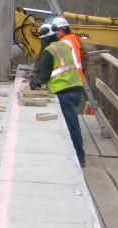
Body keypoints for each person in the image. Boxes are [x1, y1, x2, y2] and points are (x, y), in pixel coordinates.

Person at [29, 29, 86, 167]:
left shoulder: (50, 50)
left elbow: (42, 73)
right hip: (76, 87)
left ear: (44, 39)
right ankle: (78, 155)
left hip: (64, 90)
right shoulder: (64, 46)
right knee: (72, 123)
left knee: (71, 125)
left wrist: (33, 84)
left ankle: (79, 157)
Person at [52, 16, 86, 82]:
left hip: (70, 81)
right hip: (77, 79)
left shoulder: (63, 43)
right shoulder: (73, 39)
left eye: (56, 30)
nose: (55, 33)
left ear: (62, 29)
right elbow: (84, 57)